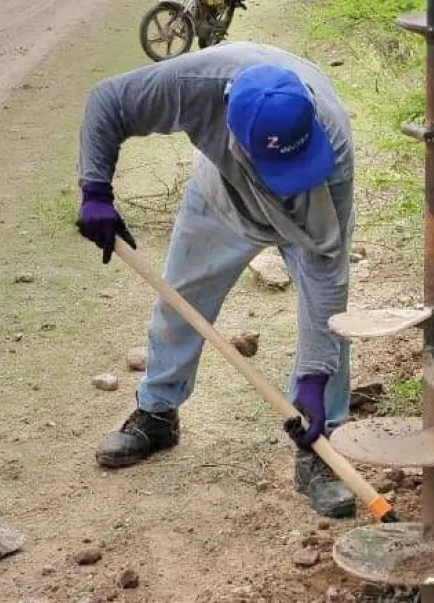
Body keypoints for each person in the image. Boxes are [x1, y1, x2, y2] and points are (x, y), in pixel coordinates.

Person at [74, 41, 356, 519]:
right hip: (221, 199)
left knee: (331, 325)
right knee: (179, 302)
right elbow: (108, 101)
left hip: (310, 214)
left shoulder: (331, 151)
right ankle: (158, 413)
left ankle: (320, 445)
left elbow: (328, 280)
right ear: (232, 129)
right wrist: (95, 189)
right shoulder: (195, 87)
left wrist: (314, 374)